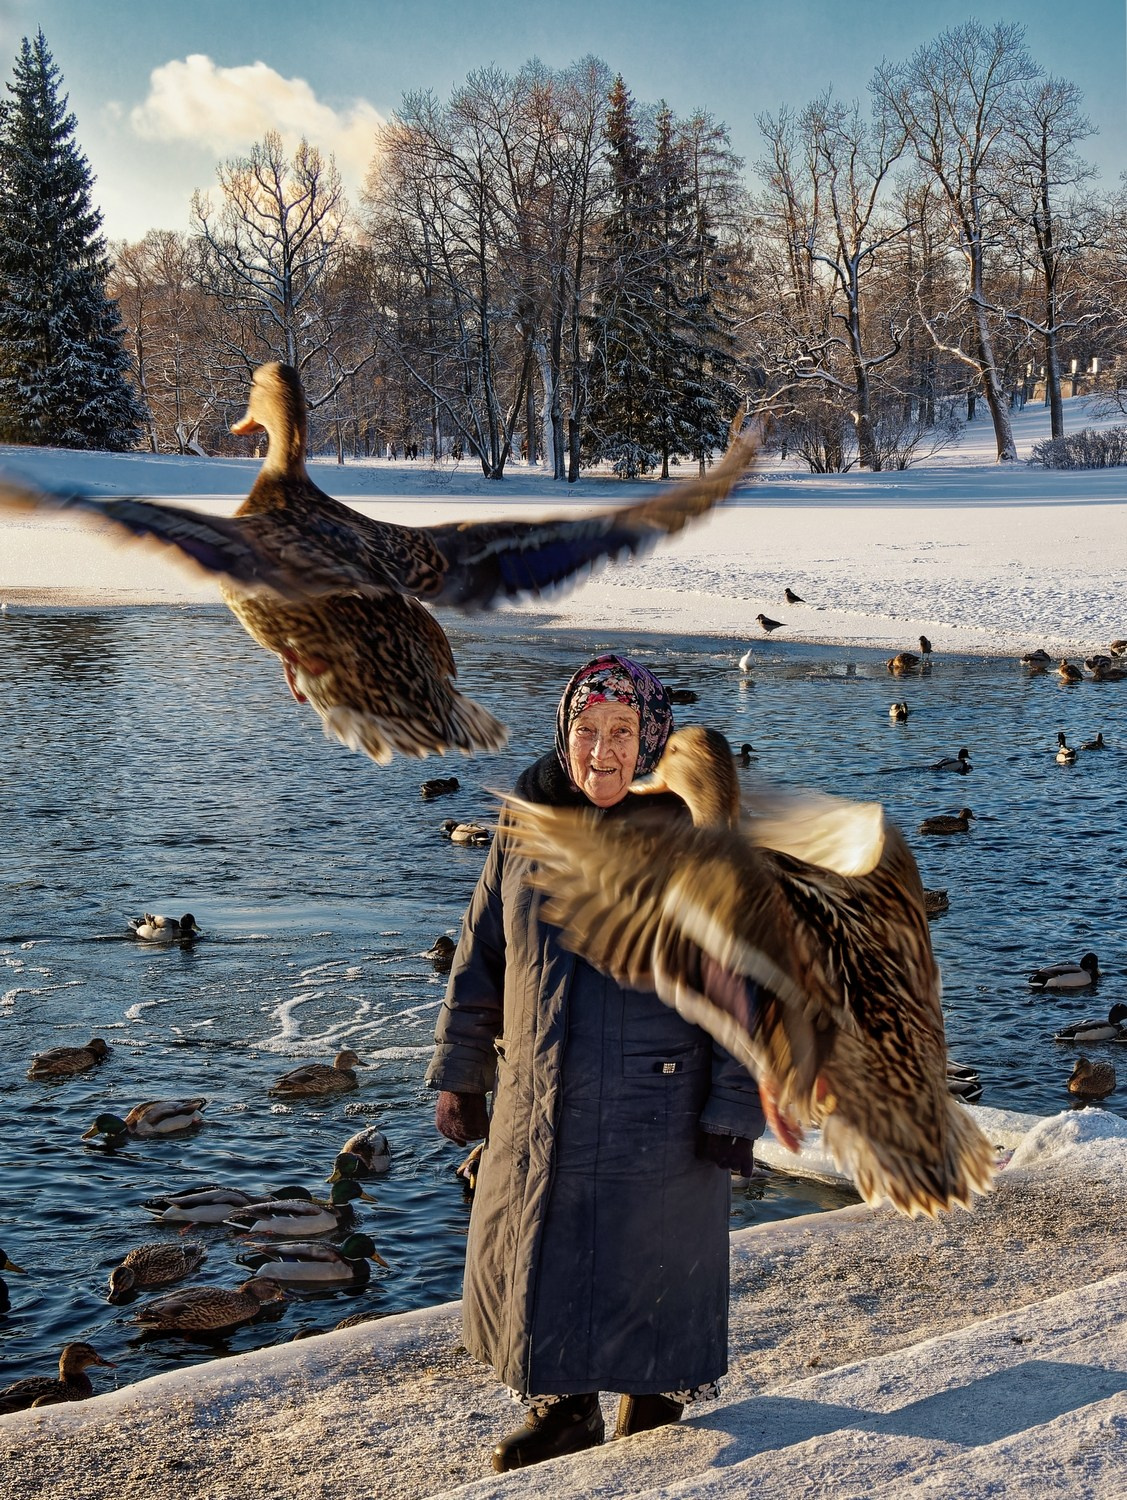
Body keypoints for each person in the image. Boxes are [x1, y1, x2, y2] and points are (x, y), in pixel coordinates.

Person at [426, 653, 765, 1474]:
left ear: (651, 738)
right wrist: (460, 1070)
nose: (601, 751)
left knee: (648, 1261)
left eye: (621, 732)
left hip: (660, 1101)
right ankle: (565, 1407)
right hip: (540, 1085)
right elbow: (482, 955)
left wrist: (732, 1109)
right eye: (586, 731)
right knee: (543, 1250)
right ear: (564, 734)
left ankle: (654, 1403)